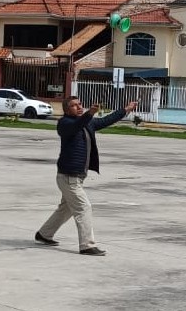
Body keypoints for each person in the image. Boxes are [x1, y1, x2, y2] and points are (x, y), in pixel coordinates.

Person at [35, 97, 137, 256]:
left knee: (66, 208)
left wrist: (126, 110)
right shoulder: (65, 123)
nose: (78, 107)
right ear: (66, 110)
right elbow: (76, 125)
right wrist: (89, 114)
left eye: (79, 104)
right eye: (74, 106)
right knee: (84, 207)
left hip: (77, 176)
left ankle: (44, 234)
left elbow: (105, 121)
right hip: (68, 177)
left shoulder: (88, 122)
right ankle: (87, 245)